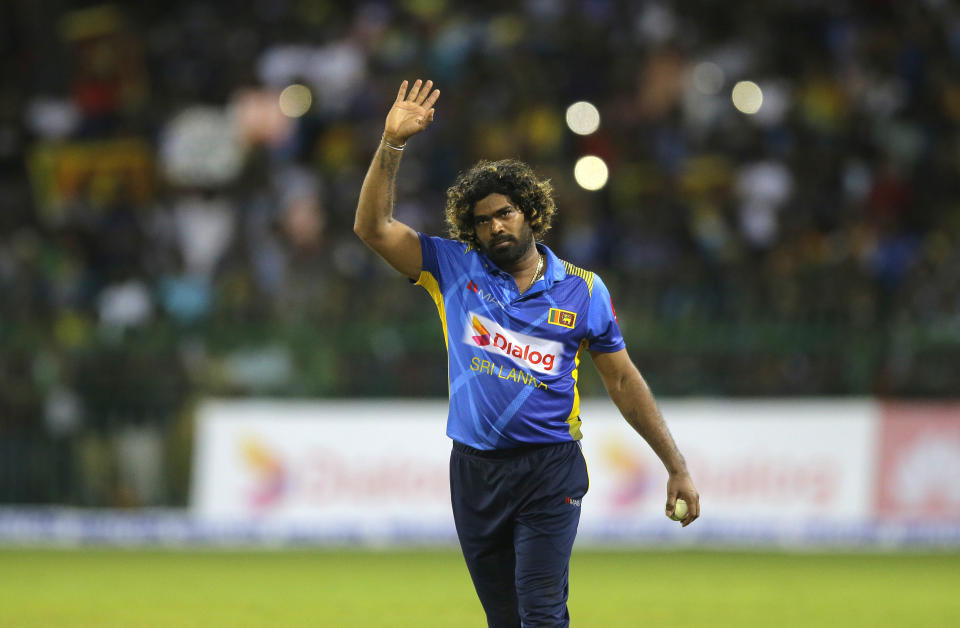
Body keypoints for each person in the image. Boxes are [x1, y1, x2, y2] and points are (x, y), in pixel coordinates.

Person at [354, 79, 700, 628]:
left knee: (541, 616)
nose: (495, 226)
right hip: (473, 471)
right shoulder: (452, 268)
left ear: (531, 213)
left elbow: (625, 383)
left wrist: (675, 465)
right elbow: (371, 228)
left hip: (549, 469)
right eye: (483, 220)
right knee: (506, 620)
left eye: (506, 212)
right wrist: (391, 144)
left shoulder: (584, 291)